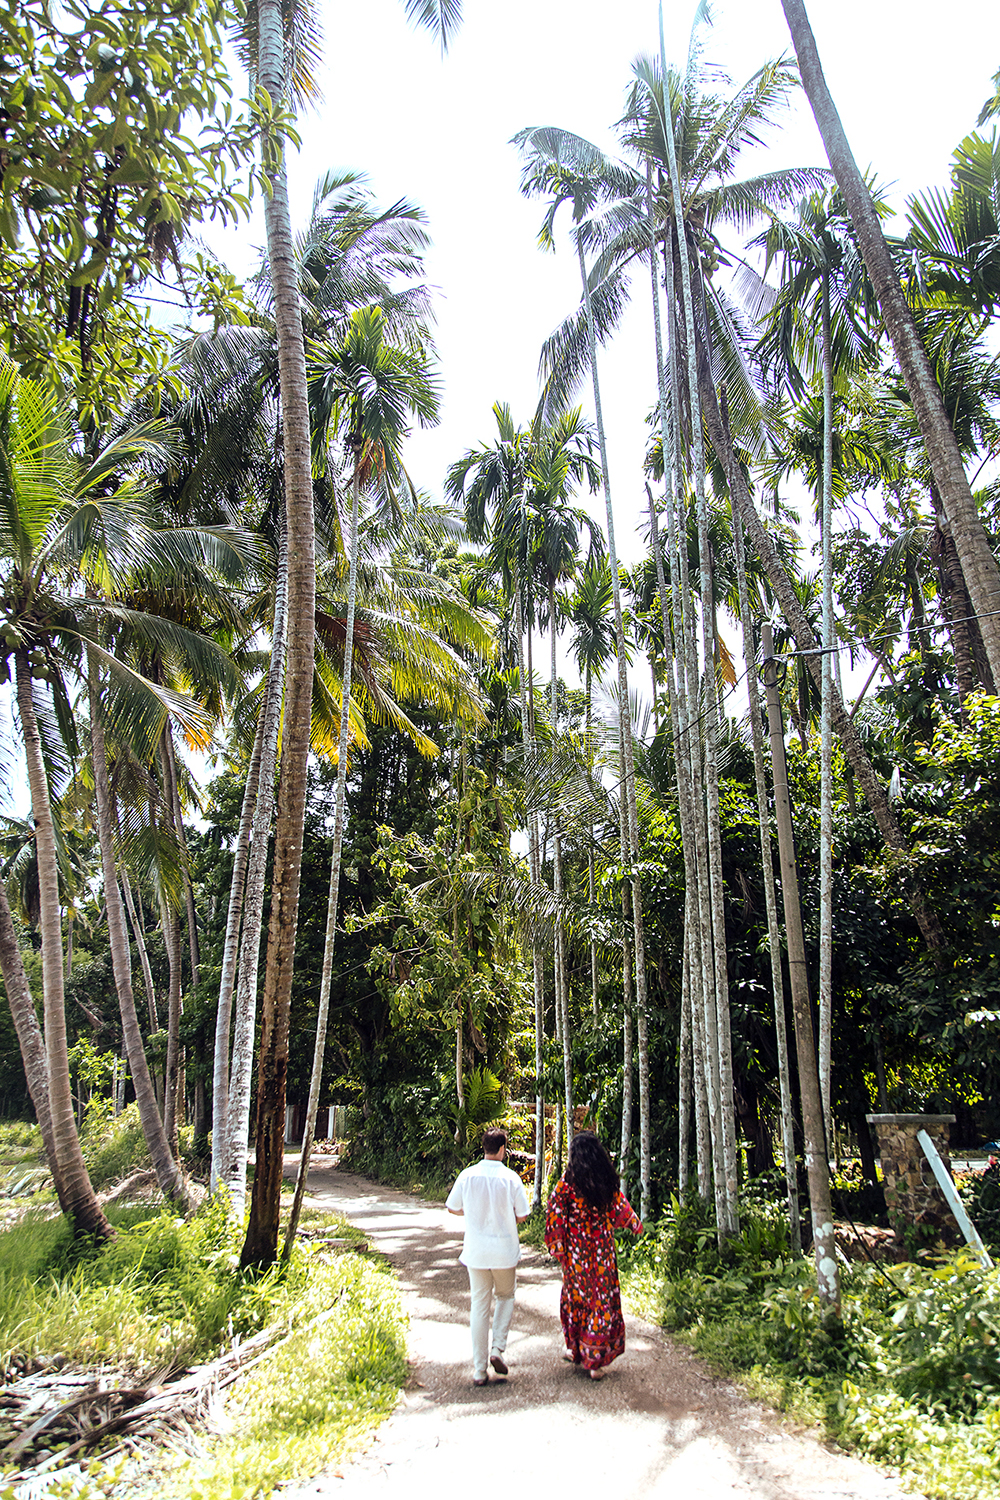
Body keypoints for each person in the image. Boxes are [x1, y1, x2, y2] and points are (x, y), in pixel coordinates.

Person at [544, 1130, 642, 1379]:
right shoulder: (604, 1180)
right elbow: (620, 1207)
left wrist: (558, 1248)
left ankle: (578, 1350)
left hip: (576, 1255)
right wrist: (633, 1224)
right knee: (601, 1302)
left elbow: (555, 1214)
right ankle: (593, 1359)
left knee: (578, 1301)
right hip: (602, 1254)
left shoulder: (567, 1183)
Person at [446, 1126, 530, 1386]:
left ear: (484, 1148)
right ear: (503, 1149)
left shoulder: (468, 1175)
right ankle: (498, 1349)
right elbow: (523, 1215)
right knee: (506, 1296)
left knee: (479, 1307)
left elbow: (452, 1207)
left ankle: (479, 1370)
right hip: (504, 1250)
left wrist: (472, 1213)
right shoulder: (511, 1178)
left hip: (476, 1251)